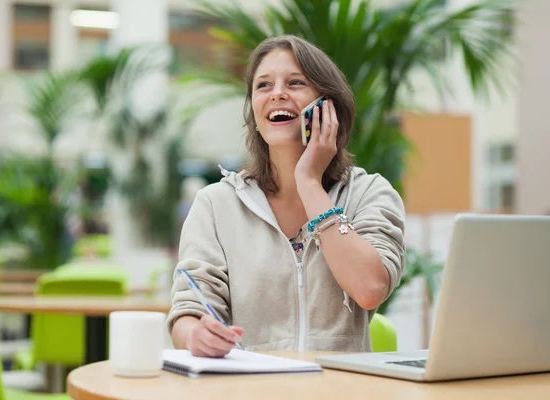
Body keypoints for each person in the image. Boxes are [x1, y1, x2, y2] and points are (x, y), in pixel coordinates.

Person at [168, 35, 405, 357]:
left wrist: (309, 182)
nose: (277, 93)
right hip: (249, 388)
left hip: (339, 387)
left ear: (328, 106)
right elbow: (188, 311)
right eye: (263, 86)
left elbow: (369, 288)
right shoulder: (216, 204)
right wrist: (196, 334)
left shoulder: (369, 193)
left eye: (295, 83)